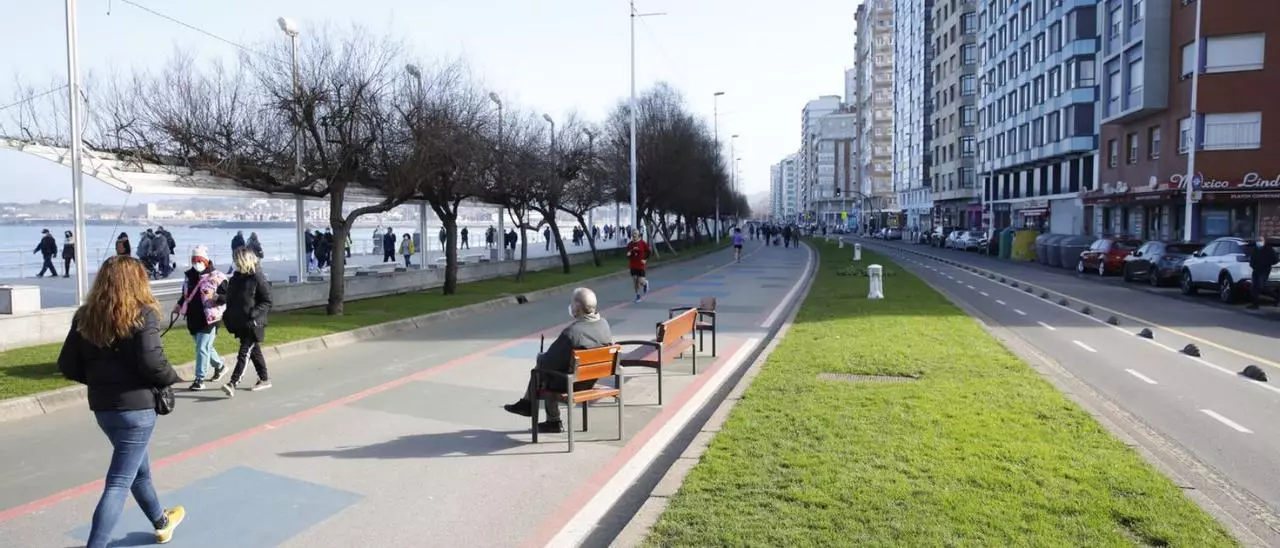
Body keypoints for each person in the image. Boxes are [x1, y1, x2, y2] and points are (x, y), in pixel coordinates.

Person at [56, 256, 186, 547]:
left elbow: (67, 364)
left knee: (137, 470)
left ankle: (162, 523)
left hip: (104, 408)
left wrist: (99, 381)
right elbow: (153, 362)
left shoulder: (85, 316)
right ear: (137, 281)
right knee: (118, 482)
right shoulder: (143, 314)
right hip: (136, 410)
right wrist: (172, 377)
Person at [503, 288, 612, 433]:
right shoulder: (604, 324)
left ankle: (543, 414)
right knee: (551, 370)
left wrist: (540, 357)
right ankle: (530, 406)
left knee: (541, 371)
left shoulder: (572, 333)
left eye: (572, 303)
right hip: (590, 379)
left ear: (577, 308)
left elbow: (549, 361)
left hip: (572, 383)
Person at [174, 246, 229, 391]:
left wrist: (216, 297)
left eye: (199, 260)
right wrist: (179, 305)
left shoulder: (218, 277)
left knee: (202, 348)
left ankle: (199, 379)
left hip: (210, 318)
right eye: (194, 260)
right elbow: (185, 295)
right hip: (193, 317)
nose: (196, 263)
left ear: (205, 261)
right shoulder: (189, 276)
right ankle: (220, 366)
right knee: (204, 347)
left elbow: (228, 297)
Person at [221, 248, 274, 397]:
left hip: (253, 324)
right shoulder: (236, 278)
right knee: (254, 352)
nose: (236, 263)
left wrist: (253, 314)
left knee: (244, 352)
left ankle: (233, 383)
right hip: (240, 322)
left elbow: (267, 301)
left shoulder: (257, 277)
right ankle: (264, 379)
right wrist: (228, 315)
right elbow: (231, 299)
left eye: (238, 260)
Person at [1248, 238, 1279, 310]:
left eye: (1260, 241)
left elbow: (1275, 260)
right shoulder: (1255, 249)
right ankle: (1255, 304)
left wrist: (1267, 264)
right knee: (1254, 287)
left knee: (1262, 286)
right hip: (1256, 270)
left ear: (1264, 242)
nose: (1259, 242)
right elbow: (1252, 258)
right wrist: (1252, 265)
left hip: (1264, 270)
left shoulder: (1269, 249)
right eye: (1257, 241)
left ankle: (1277, 297)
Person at [626, 230, 650, 302]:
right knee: (635, 281)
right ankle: (638, 296)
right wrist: (628, 255)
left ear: (638, 235)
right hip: (633, 265)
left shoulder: (642, 243)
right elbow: (628, 254)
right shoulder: (630, 245)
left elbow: (648, 251)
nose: (634, 235)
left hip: (640, 265)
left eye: (635, 234)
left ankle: (645, 283)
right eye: (633, 234)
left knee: (641, 281)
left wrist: (645, 259)